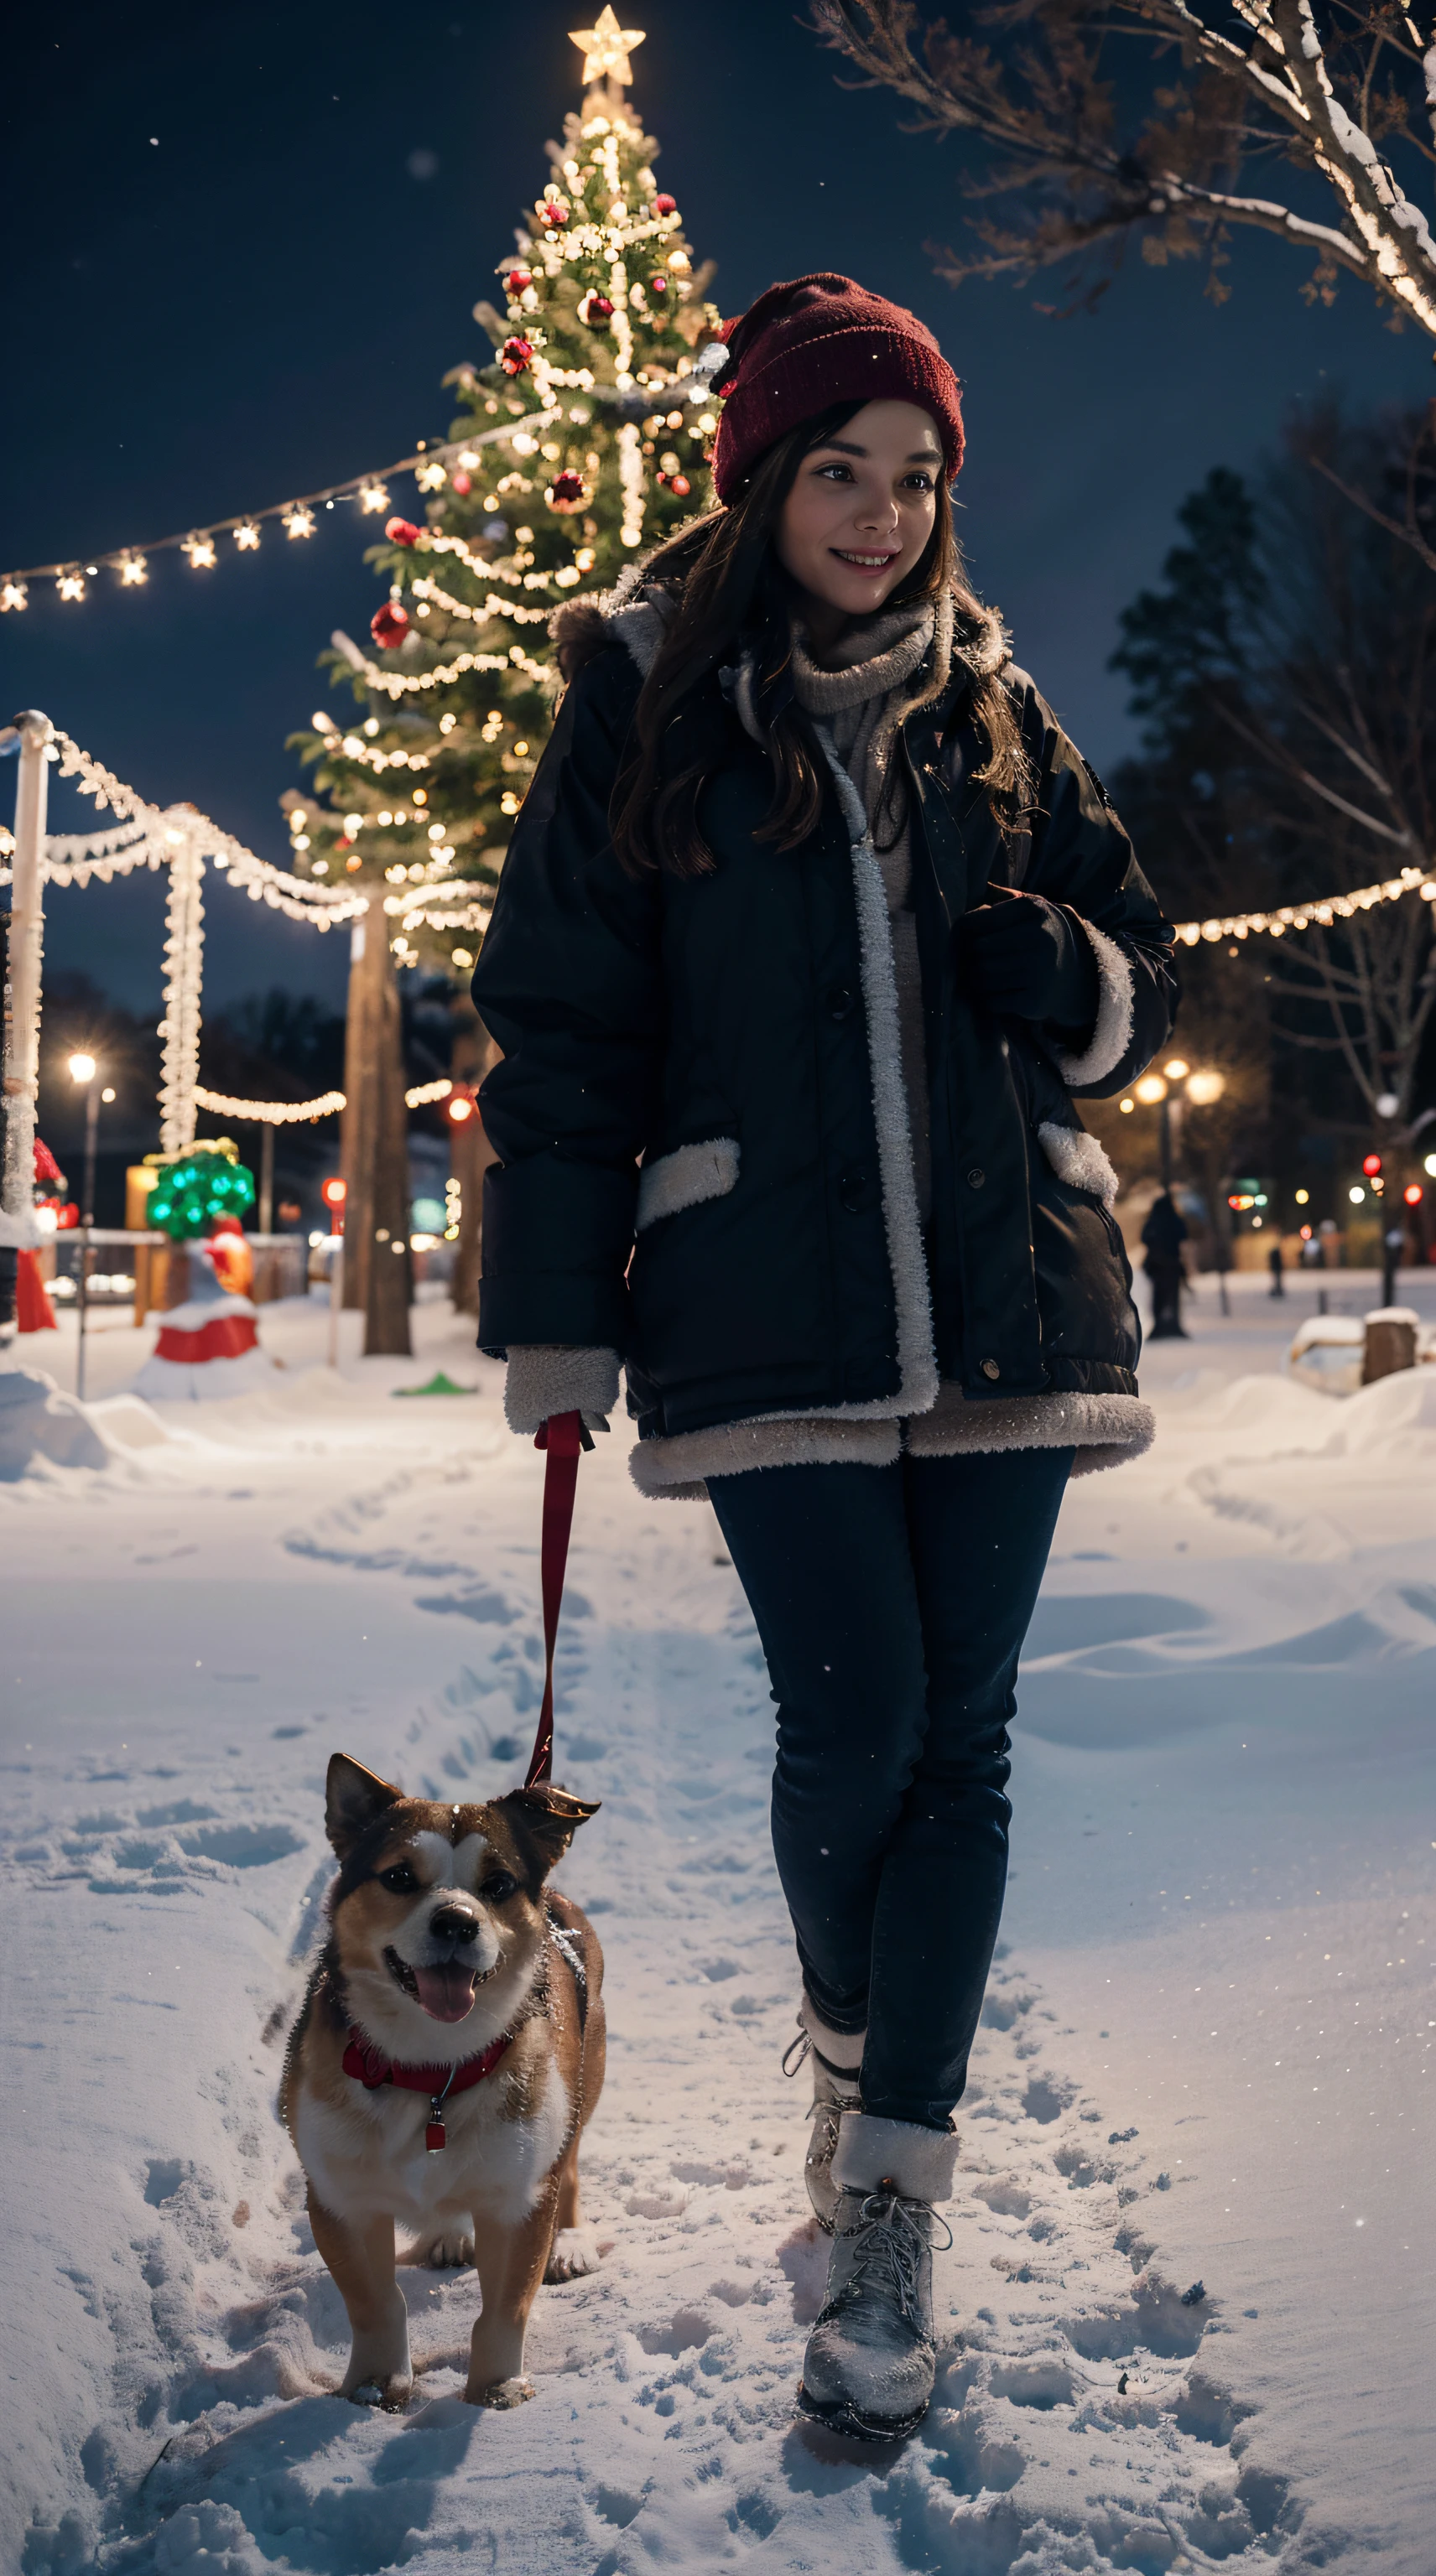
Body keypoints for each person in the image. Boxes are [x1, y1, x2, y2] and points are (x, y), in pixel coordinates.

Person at [472, 273, 1176, 2440]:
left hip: (1004, 1294)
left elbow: (1142, 967)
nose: (883, 520)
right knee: (852, 1732)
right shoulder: (643, 709)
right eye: (842, 475)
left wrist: (1070, 972)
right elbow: (567, 1025)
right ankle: (855, 2050)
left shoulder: (1000, 709)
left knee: (959, 1750)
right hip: (759, 1298)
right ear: (761, 480)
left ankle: (887, 2196)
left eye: (918, 480)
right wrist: (557, 1307)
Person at [1141, 1191, 1189, 1338]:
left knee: (1158, 1295)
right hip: (1172, 1263)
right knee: (1172, 1294)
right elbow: (1183, 1235)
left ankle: (1160, 1323)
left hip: (1157, 1265)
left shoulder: (1153, 1221)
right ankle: (1171, 1321)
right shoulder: (1174, 1219)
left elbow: (1144, 1238)